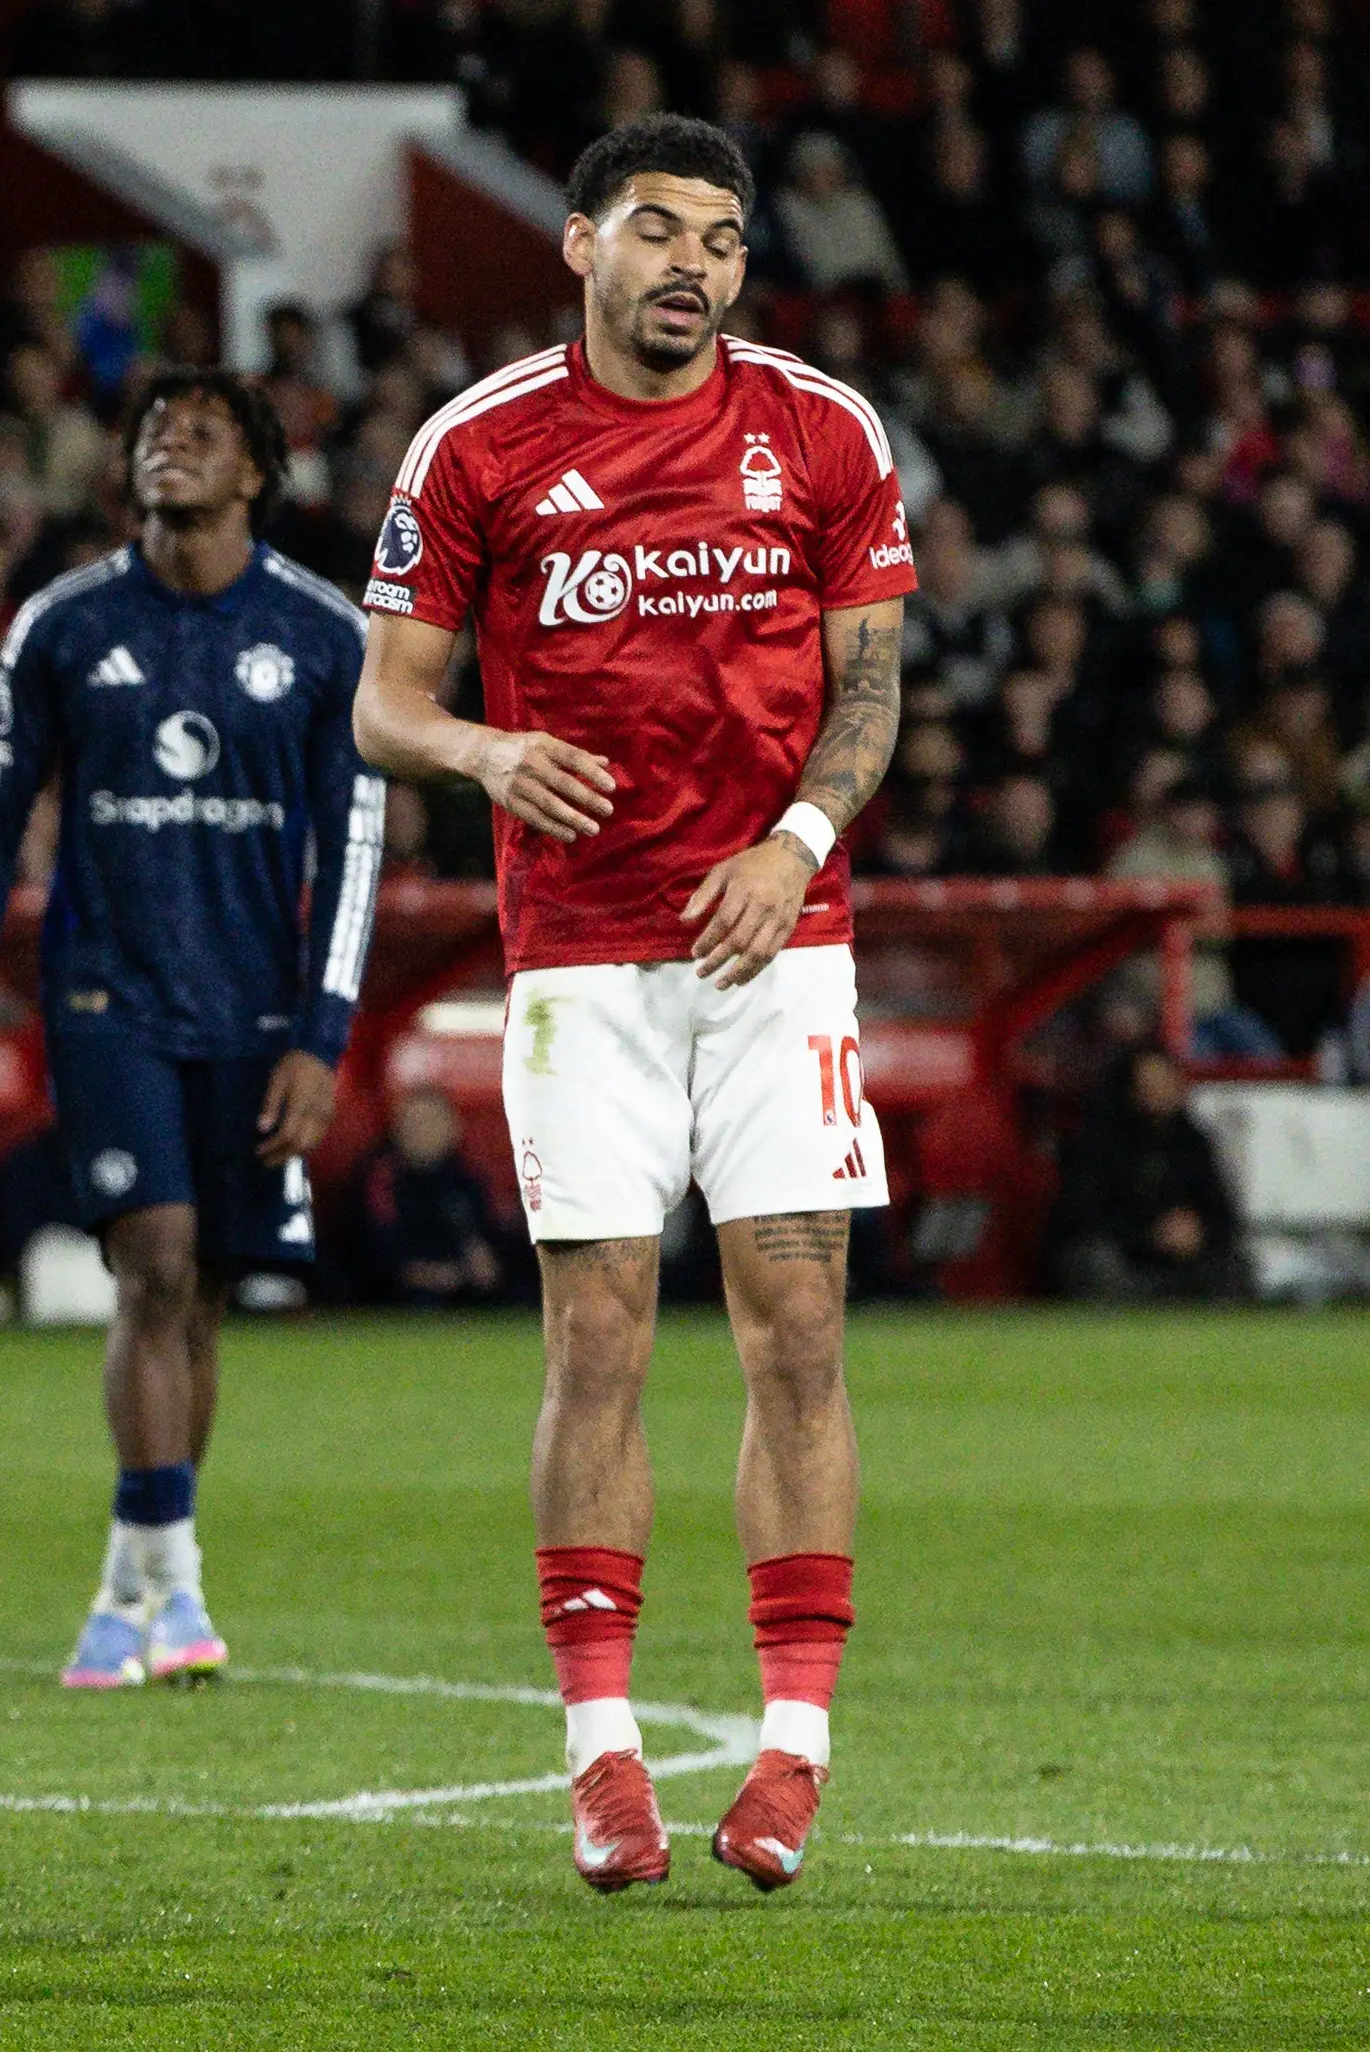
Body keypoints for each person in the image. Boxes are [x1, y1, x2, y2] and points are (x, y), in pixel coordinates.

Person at [350, 115, 916, 1893]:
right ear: (581, 245)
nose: (696, 265)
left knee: (797, 1324)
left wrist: (797, 838)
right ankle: (602, 1757)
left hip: (779, 937)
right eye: (660, 231)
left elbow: (873, 691)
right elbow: (384, 705)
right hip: (581, 949)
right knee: (597, 1333)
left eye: (726, 240)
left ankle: (791, 1758)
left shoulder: (822, 431)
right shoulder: (481, 446)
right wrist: (484, 745)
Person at [0, 364, 381, 1692]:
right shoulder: (61, 625)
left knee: (205, 1296)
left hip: (254, 1008)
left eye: (198, 435)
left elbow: (354, 845)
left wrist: (322, 1034)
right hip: (104, 996)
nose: (166, 449)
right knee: (152, 1262)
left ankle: (132, 1589)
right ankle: (175, 1582)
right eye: (151, 434)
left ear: (252, 474)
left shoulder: (319, 632)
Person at [1052, 1047, 1244, 1299]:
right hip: (1125, 1260)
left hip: (1181, 1266)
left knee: (1234, 1266)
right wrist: (1149, 1235)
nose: (1157, 1092)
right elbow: (1082, 1215)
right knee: (1094, 1261)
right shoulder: (1099, 1142)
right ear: (1131, 1090)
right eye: (1148, 1084)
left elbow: (1222, 1213)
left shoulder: (1192, 1142)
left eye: (1164, 1082)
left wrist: (1197, 1231)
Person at [356, 1087, 508, 1306]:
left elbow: (492, 1243)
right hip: (397, 1295)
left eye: (431, 1122)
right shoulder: (380, 1179)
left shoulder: (466, 1181)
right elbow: (375, 1252)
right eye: (414, 1124)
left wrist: (485, 1264)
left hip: (463, 1289)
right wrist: (429, 1275)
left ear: (453, 1129)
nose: (423, 1133)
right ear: (396, 1129)